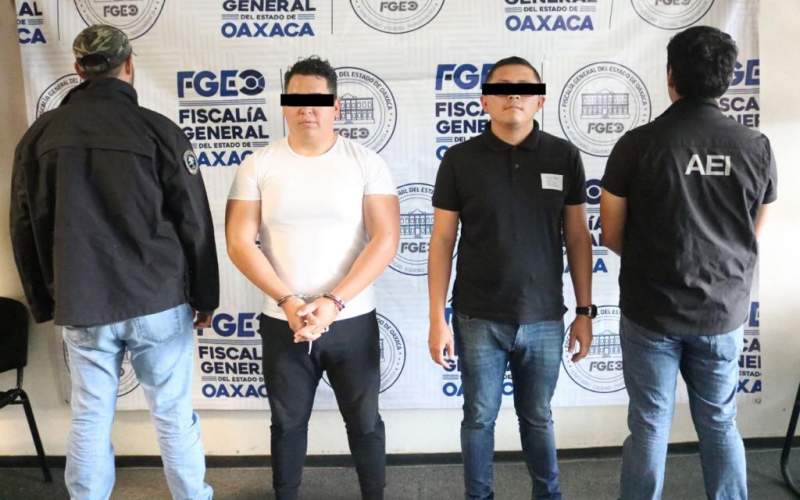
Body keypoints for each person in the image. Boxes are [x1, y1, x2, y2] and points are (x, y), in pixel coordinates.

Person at [9, 25, 218, 499]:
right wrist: (205, 297)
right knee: (172, 413)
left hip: (83, 301)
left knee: (90, 414)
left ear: (78, 69)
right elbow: (194, 221)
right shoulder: (158, 130)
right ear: (129, 65)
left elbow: (24, 225)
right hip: (158, 299)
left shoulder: (40, 136)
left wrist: (43, 301)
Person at [600, 26, 777, 500]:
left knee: (649, 424)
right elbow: (753, 234)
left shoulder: (636, 145)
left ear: (670, 75)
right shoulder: (756, 146)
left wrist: (659, 263)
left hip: (651, 310)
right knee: (720, 421)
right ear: (727, 78)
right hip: (721, 311)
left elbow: (611, 234)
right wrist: (719, 264)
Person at [225, 56, 399, 500]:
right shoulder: (258, 165)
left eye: (318, 100)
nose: (307, 109)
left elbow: (385, 239)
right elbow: (239, 242)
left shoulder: (366, 163)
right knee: (286, 424)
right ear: (285, 105)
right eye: (297, 99)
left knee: (365, 423)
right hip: (283, 321)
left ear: (335, 106)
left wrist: (334, 302)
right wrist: (288, 301)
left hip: (352, 320)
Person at [427, 56, 594, 500]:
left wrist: (585, 312)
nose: (513, 94)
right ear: (485, 100)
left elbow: (578, 237)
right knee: (478, 418)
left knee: (537, 417)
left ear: (540, 99)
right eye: (501, 87)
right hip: (477, 317)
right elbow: (441, 241)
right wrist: (436, 318)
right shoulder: (460, 160)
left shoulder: (563, 156)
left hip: (545, 317)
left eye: (524, 86)